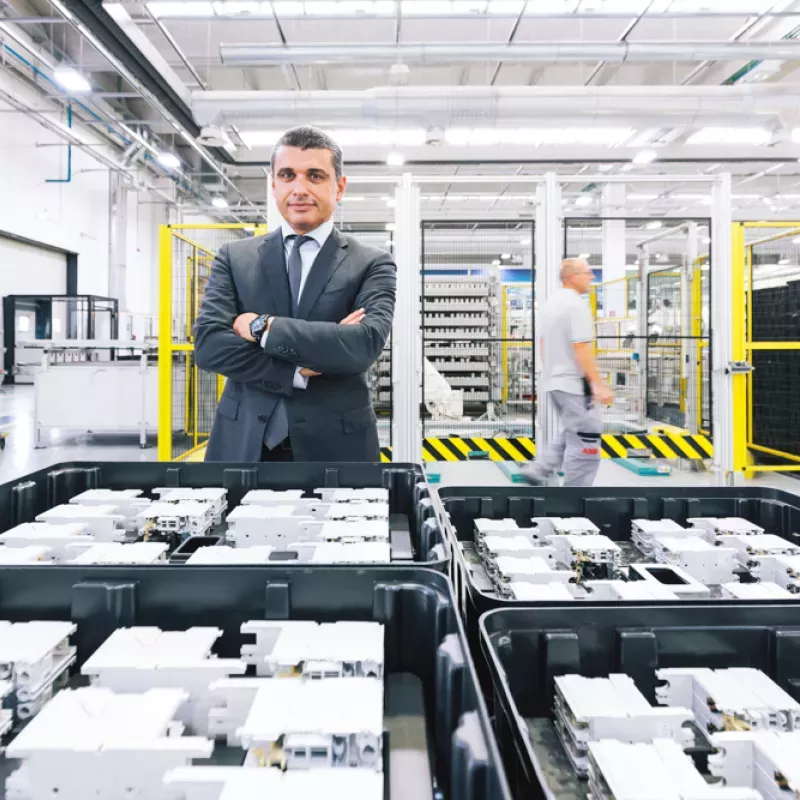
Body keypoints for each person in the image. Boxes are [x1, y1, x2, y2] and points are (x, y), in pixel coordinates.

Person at [194, 126, 396, 462]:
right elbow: (209, 347)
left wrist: (261, 327)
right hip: (244, 442)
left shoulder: (372, 263)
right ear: (273, 184)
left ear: (339, 186)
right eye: (288, 175)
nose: (299, 189)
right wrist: (295, 371)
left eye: (315, 176)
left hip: (336, 447)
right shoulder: (234, 257)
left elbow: (363, 346)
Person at [520, 258, 613, 487]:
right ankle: (575, 499)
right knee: (586, 441)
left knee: (575, 429)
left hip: (554, 382)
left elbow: (542, 344)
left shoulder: (550, 304)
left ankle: (540, 468)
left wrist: (551, 373)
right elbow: (581, 347)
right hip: (573, 383)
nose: (591, 277)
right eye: (587, 273)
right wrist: (598, 384)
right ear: (572, 276)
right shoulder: (576, 305)